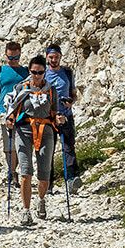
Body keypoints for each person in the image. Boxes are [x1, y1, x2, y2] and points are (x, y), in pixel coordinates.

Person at [3, 55, 65, 224]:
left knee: (44, 173)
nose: (37, 75)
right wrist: (9, 119)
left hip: (46, 131)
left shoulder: (51, 90)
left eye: (40, 72)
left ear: (45, 72)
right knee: (26, 170)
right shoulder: (21, 88)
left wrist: (59, 118)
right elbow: (11, 106)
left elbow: (55, 111)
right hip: (24, 130)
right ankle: (26, 210)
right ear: (29, 71)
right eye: (33, 72)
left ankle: (41, 200)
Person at [0, 41, 29, 188]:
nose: (13, 60)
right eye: (10, 58)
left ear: (20, 55)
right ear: (6, 55)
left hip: (22, 112)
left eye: (16, 57)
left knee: (20, 142)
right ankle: (12, 172)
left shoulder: (26, 71)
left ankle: (17, 172)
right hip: (5, 112)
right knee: (8, 143)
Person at [44, 43, 82, 191]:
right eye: (51, 57)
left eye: (57, 57)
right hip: (48, 117)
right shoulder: (42, 74)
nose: (54, 60)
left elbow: (73, 93)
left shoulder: (67, 72)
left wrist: (71, 102)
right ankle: (48, 183)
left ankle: (71, 179)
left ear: (60, 57)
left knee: (69, 147)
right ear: (47, 57)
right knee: (48, 149)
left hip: (66, 115)